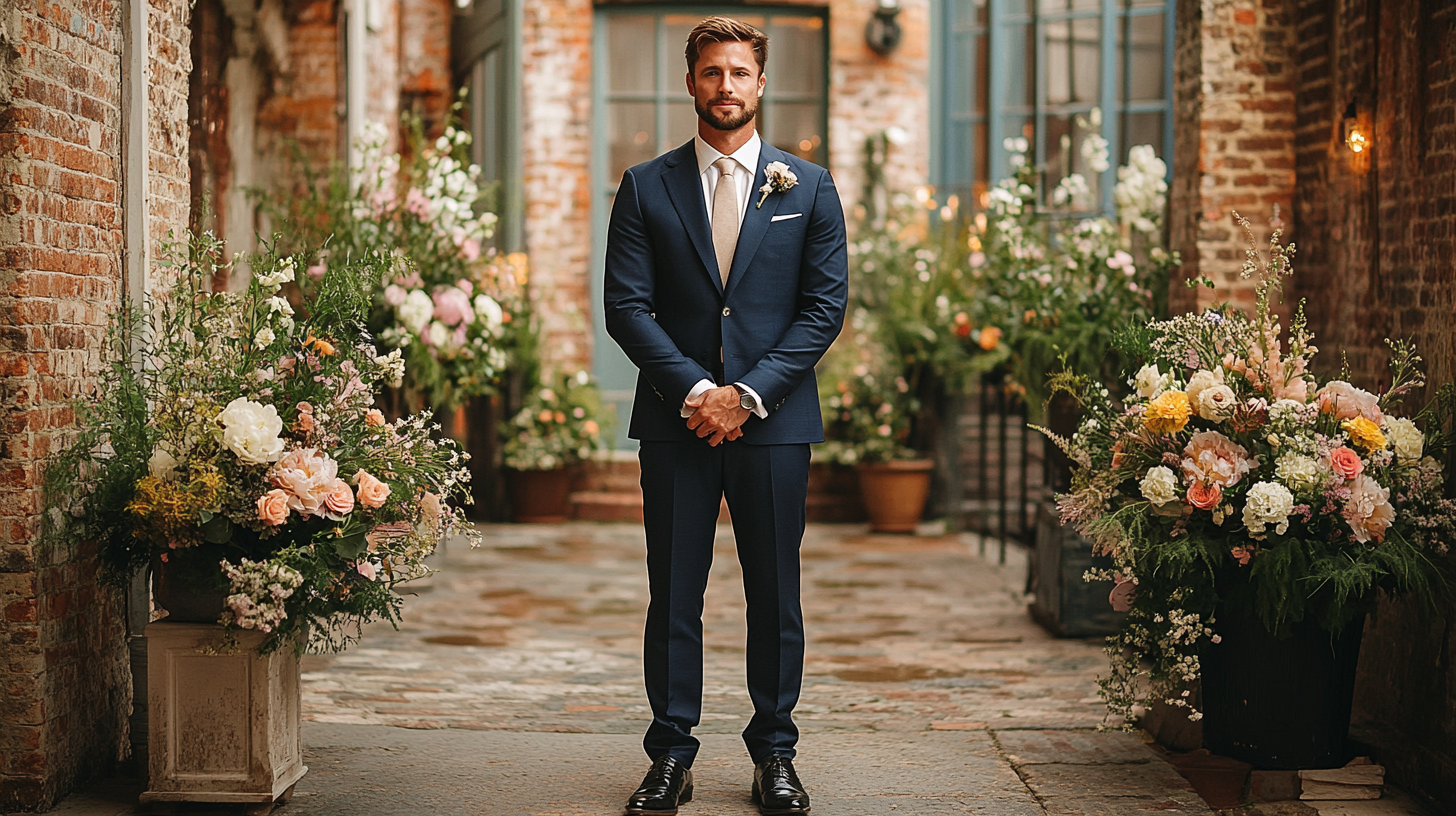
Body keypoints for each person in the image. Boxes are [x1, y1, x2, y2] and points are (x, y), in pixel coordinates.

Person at [602, 15, 848, 816]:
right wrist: (694, 392)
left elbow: (823, 309)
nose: (726, 86)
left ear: (761, 83)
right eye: (712, 72)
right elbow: (627, 308)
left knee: (776, 592)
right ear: (691, 82)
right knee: (674, 591)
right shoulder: (646, 184)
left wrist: (745, 395)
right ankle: (671, 755)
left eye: (740, 72)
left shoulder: (808, 187)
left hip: (774, 426)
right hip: (676, 425)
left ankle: (775, 752)